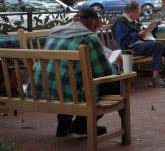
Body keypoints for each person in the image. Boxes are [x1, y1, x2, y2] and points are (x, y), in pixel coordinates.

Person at [26, 8, 123, 137]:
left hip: (40, 88)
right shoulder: (89, 38)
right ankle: (83, 124)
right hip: (66, 92)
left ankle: (64, 124)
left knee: (67, 75)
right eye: (97, 26)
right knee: (118, 83)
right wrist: (117, 63)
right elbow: (106, 74)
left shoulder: (56, 32)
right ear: (93, 23)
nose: (96, 30)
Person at [113, 0, 165, 88]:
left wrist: (154, 27)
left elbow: (146, 34)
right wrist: (137, 35)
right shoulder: (121, 22)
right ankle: (155, 77)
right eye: (137, 12)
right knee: (157, 45)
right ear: (130, 12)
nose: (139, 14)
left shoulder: (134, 21)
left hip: (143, 45)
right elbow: (122, 40)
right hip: (131, 49)